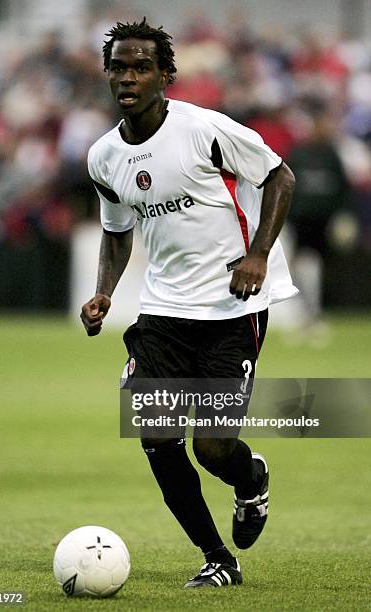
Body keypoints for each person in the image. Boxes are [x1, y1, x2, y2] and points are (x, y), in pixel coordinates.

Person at [80, 18, 297, 589]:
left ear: (165, 77)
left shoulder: (204, 130)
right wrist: (105, 291)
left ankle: (249, 479)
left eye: (141, 67)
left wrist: (257, 254)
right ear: (107, 75)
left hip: (232, 310)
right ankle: (217, 558)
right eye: (119, 67)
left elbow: (279, 177)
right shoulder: (103, 157)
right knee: (156, 434)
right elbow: (116, 231)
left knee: (213, 446)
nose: (128, 77)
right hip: (162, 315)